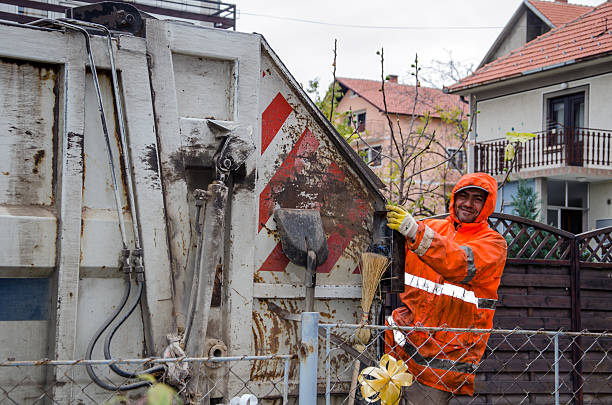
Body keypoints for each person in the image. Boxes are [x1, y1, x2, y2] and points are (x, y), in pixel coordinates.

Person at [384, 172, 508, 405]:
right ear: (454, 198)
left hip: (442, 363)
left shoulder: (493, 244)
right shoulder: (432, 228)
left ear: (487, 204)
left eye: (477, 199)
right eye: (464, 196)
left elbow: (459, 263)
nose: (468, 203)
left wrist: (414, 231)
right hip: (400, 350)